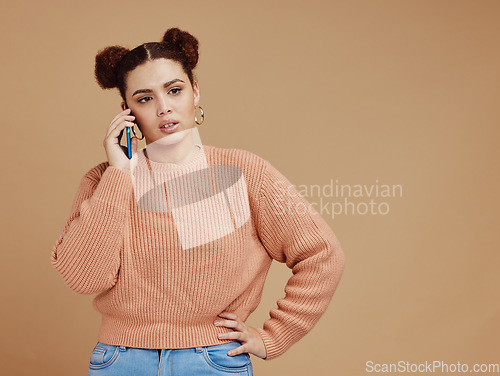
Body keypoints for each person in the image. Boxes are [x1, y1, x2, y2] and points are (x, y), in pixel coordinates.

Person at [51, 27, 345, 376]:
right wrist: (119, 174)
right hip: (119, 361)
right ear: (126, 111)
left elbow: (322, 255)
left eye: (174, 90)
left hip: (212, 361)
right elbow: (84, 279)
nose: (164, 108)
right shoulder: (103, 181)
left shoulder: (244, 172)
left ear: (195, 92)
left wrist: (274, 336)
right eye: (144, 98)